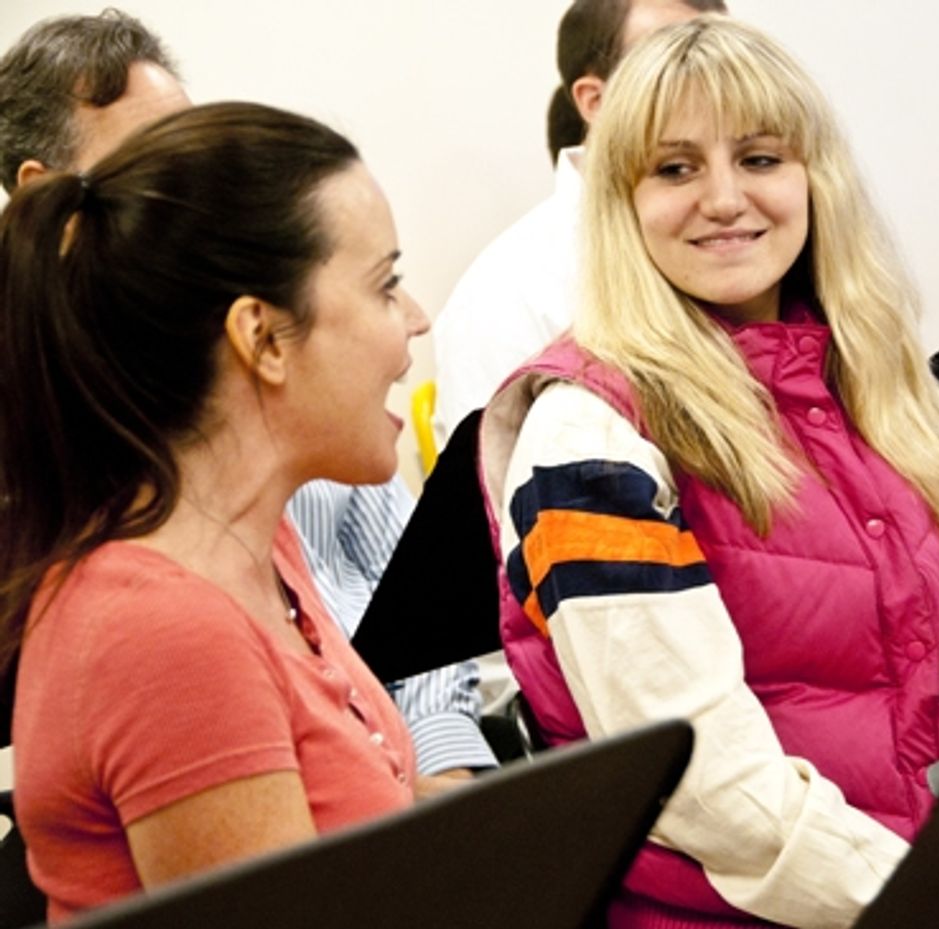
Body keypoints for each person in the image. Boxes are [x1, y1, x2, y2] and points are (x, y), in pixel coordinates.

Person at [478, 17, 939, 927]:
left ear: (814, 177)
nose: (724, 198)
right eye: (675, 169)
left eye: (759, 158)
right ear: (622, 200)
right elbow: (706, 783)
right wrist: (938, 892)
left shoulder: (882, 382)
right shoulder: (587, 434)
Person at [0, 9, 494, 776]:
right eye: (157, 166)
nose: (201, 191)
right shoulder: (160, 599)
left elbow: (416, 611)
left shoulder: (280, 490)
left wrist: (442, 777)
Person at [0, 101, 443, 920]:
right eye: (385, 285)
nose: (416, 318)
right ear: (262, 338)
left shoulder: (260, 544)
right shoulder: (164, 632)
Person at [432, 0, 727, 442]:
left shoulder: (748, 238)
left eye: (726, 57)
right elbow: (493, 477)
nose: (720, 87)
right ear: (596, 101)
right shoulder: (509, 292)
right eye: (674, 61)